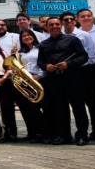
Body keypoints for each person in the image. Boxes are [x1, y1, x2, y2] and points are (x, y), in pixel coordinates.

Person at [37, 16, 89, 145]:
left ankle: (82, 135)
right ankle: (64, 135)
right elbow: (40, 61)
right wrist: (46, 66)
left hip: (72, 78)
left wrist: (69, 64)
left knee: (78, 108)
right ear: (47, 27)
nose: (54, 26)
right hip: (54, 80)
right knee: (60, 109)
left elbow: (84, 56)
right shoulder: (43, 44)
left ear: (60, 25)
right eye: (51, 25)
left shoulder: (72, 40)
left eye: (56, 24)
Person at [65, 11, 95, 144]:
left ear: (75, 21)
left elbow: (92, 54)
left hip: (87, 71)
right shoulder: (61, 37)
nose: (68, 22)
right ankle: (82, 134)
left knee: (93, 105)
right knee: (78, 106)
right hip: (71, 74)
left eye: (70, 19)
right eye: (65, 20)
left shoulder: (84, 35)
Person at [15, 30, 45, 142]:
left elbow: (44, 63)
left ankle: (42, 132)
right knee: (27, 108)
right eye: (24, 36)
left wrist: (39, 76)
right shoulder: (21, 52)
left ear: (33, 36)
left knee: (37, 108)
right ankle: (31, 132)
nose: (26, 37)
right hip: (25, 82)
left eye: (29, 35)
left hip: (38, 79)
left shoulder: (40, 48)